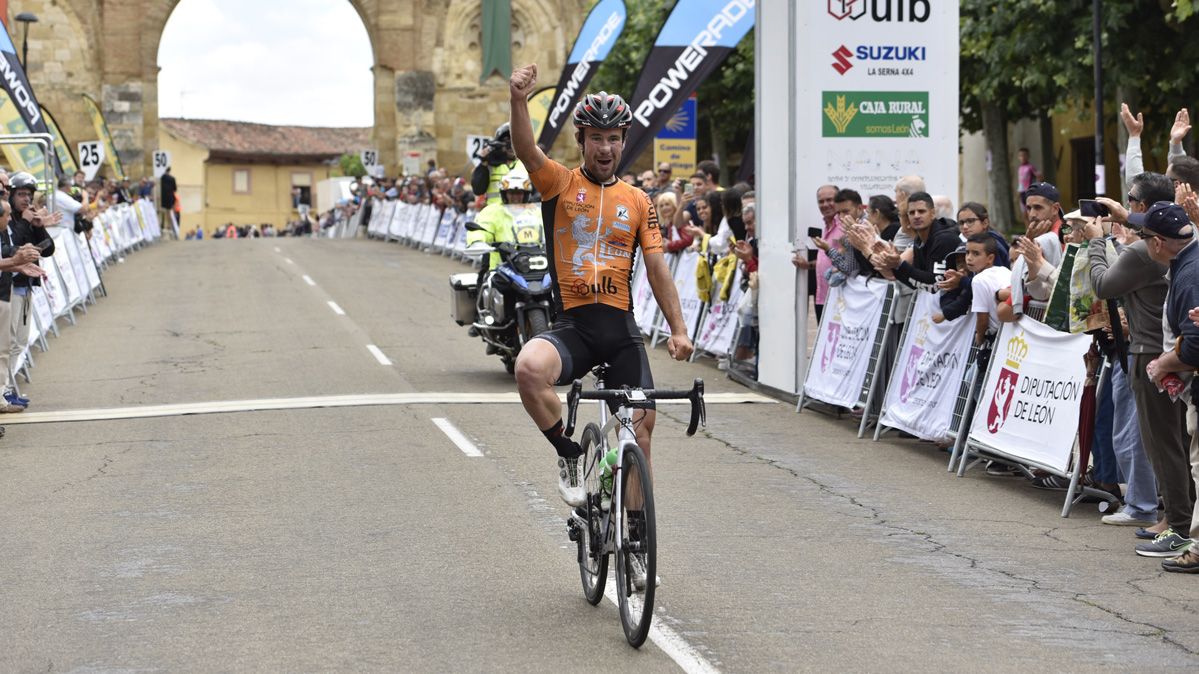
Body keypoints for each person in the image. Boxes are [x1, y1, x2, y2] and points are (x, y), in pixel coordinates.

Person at [507, 65, 693, 550]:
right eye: (596, 138)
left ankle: (634, 533)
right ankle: (568, 451)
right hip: (573, 327)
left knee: (641, 427)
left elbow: (656, 268)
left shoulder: (639, 201)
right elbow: (526, 151)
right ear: (582, 139)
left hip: (619, 331)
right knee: (528, 368)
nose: (605, 148)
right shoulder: (559, 184)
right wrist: (519, 100)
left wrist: (678, 329)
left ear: (623, 140)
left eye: (613, 138)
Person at [1134, 202, 1199, 571]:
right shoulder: (1188, 259)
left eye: (1143, 237)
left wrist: (1163, 363)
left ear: (1158, 242)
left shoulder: (1190, 273)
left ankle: (1194, 544)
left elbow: (1195, 346)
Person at [5, 172, 57, 410]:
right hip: (11, 286)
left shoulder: (27, 218)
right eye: (21, 194)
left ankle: (7, 387)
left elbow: (46, 250)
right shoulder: (8, 219)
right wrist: (25, 222)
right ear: (12, 195)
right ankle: (4, 390)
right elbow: (11, 247)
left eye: (29, 195)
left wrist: (39, 228)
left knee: (20, 342)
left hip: (26, 285)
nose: (26, 199)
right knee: (8, 342)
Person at [0, 198, 46, 413]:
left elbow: (45, 248)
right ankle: (4, 395)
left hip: (11, 288)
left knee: (12, 346)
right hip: (8, 292)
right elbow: (8, 254)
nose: (9, 219)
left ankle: (5, 393)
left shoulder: (10, 227)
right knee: (5, 348)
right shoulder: (15, 224)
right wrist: (16, 262)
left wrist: (38, 227)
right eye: (6, 215)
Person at [791, 185, 836, 322]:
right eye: (821, 201)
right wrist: (808, 265)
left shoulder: (844, 226)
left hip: (838, 298)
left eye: (830, 200)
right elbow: (826, 261)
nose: (825, 205)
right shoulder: (825, 227)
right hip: (822, 296)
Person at [471, 122, 525, 207]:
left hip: (519, 214)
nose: (511, 146)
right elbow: (478, 190)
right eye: (507, 142)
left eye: (514, 142)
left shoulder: (526, 164)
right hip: (494, 215)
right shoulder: (490, 164)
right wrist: (483, 163)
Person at [956, 202, 1010, 268]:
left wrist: (962, 278)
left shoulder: (992, 245)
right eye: (961, 223)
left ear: (985, 223)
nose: (965, 226)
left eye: (970, 221)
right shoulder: (978, 242)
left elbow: (994, 277)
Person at [1016, 148, 1038, 213]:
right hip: (1021, 193)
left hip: (1028, 193)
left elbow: (1039, 176)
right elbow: (1021, 181)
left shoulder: (1030, 167)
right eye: (1020, 155)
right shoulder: (1020, 168)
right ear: (1018, 157)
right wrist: (1018, 191)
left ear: (1028, 156)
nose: (1022, 157)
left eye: (1024, 155)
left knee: (1030, 213)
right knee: (1024, 214)